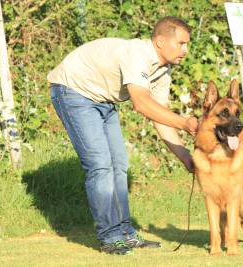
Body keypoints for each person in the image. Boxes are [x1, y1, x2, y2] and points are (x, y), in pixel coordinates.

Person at [47, 16, 198, 255]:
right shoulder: (137, 53)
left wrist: (185, 156)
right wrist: (186, 123)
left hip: (104, 100)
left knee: (118, 165)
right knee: (100, 165)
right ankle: (110, 237)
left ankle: (126, 234)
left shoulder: (163, 70)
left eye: (187, 44)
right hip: (73, 92)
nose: (185, 50)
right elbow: (141, 103)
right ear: (160, 41)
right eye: (181, 43)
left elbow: (159, 116)